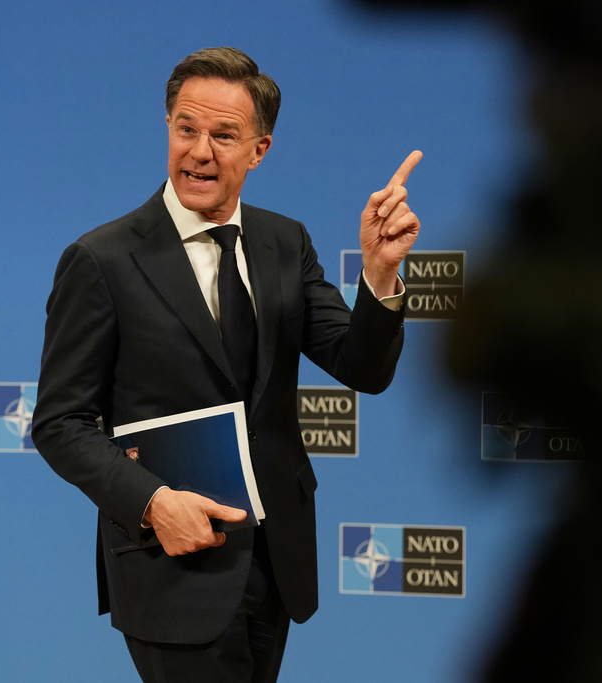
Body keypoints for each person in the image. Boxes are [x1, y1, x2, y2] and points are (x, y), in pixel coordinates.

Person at [33, 46, 422, 683]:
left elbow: (364, 369)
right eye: (186, 128)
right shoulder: (102, 259)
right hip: (170, 561)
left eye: (223, 135)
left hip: (275, 560)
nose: (199, 152)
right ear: (167, 127)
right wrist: (152, 502)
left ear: (258, 149)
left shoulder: (284, 241)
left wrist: (379, 276)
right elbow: (60, 423)